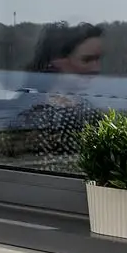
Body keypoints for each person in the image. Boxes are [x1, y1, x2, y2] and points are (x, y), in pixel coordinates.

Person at [15, 23, 107, 169]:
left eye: (98, 59)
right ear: (57, 60)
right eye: (87, 60)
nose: (96, 69)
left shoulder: (84, 109)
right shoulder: (35, 116)